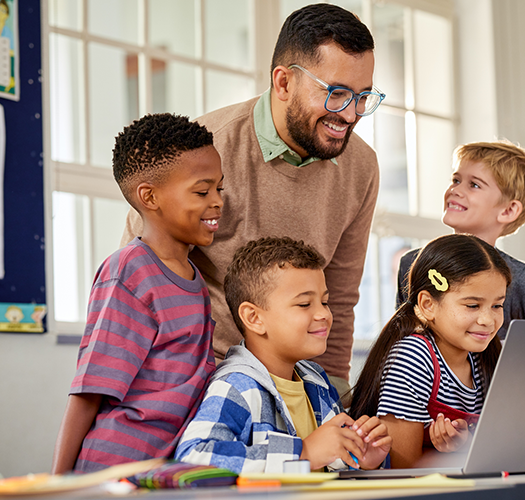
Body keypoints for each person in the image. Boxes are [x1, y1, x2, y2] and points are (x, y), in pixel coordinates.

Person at [121, 3, 384, 399]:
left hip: (295, 385)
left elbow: (341, 297)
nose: (350, 115)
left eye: (363, 97)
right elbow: (139, 279)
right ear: (283, 83)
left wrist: (332, 395)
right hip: (197, 379)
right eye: (336, 94)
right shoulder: (208, 148)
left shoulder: (361, 167)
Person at [51, 114, 223, 474]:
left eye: (219, 189)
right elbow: (90, 389)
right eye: (202, 191)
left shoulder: (195, 278)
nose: (218, 201)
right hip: (116, 467)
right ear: (150, 197)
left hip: (167, 470)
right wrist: (59, 484)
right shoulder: (129, 272)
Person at [175, 237, 391, 473]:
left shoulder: (316, 380)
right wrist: (303, 452)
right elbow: (194, 459)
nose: (324, 314)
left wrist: (360, 457)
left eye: (325, 302)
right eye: (304, 304)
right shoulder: (237, 386)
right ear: (254, 318)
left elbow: (327, 458)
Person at [351, 234, 511, 468]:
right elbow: (403, 471)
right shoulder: (413, 357)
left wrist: (464, 444)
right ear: (428, 305)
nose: (488, 320)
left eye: (497, 305)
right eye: (472, 305)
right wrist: (457, 455)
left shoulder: (484, 356)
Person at [396, 140, 525, 339]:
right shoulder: (411, 264)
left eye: (474, 185)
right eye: (456, 180)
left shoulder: (519, 279)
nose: (455, 190)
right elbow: (401, 338)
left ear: (508, 210)